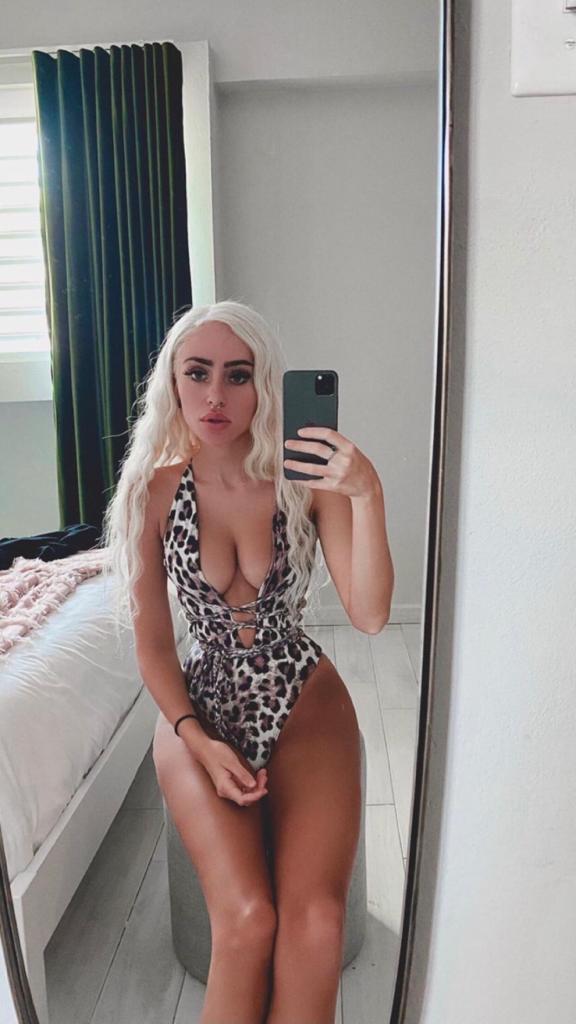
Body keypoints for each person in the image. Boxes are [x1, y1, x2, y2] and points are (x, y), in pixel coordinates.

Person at [101, 300, 394, 1024]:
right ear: (172, 382)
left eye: (238, 375)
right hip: (196, 704)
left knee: (316, 924)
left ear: (264, 385)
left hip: (303, 694)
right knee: (246, 920)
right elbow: (153, 646)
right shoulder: (152, 490)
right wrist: (196, 739)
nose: (215, 396)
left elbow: (369, 614)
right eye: (197, 373)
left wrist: (367, 493)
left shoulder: (305, 480)